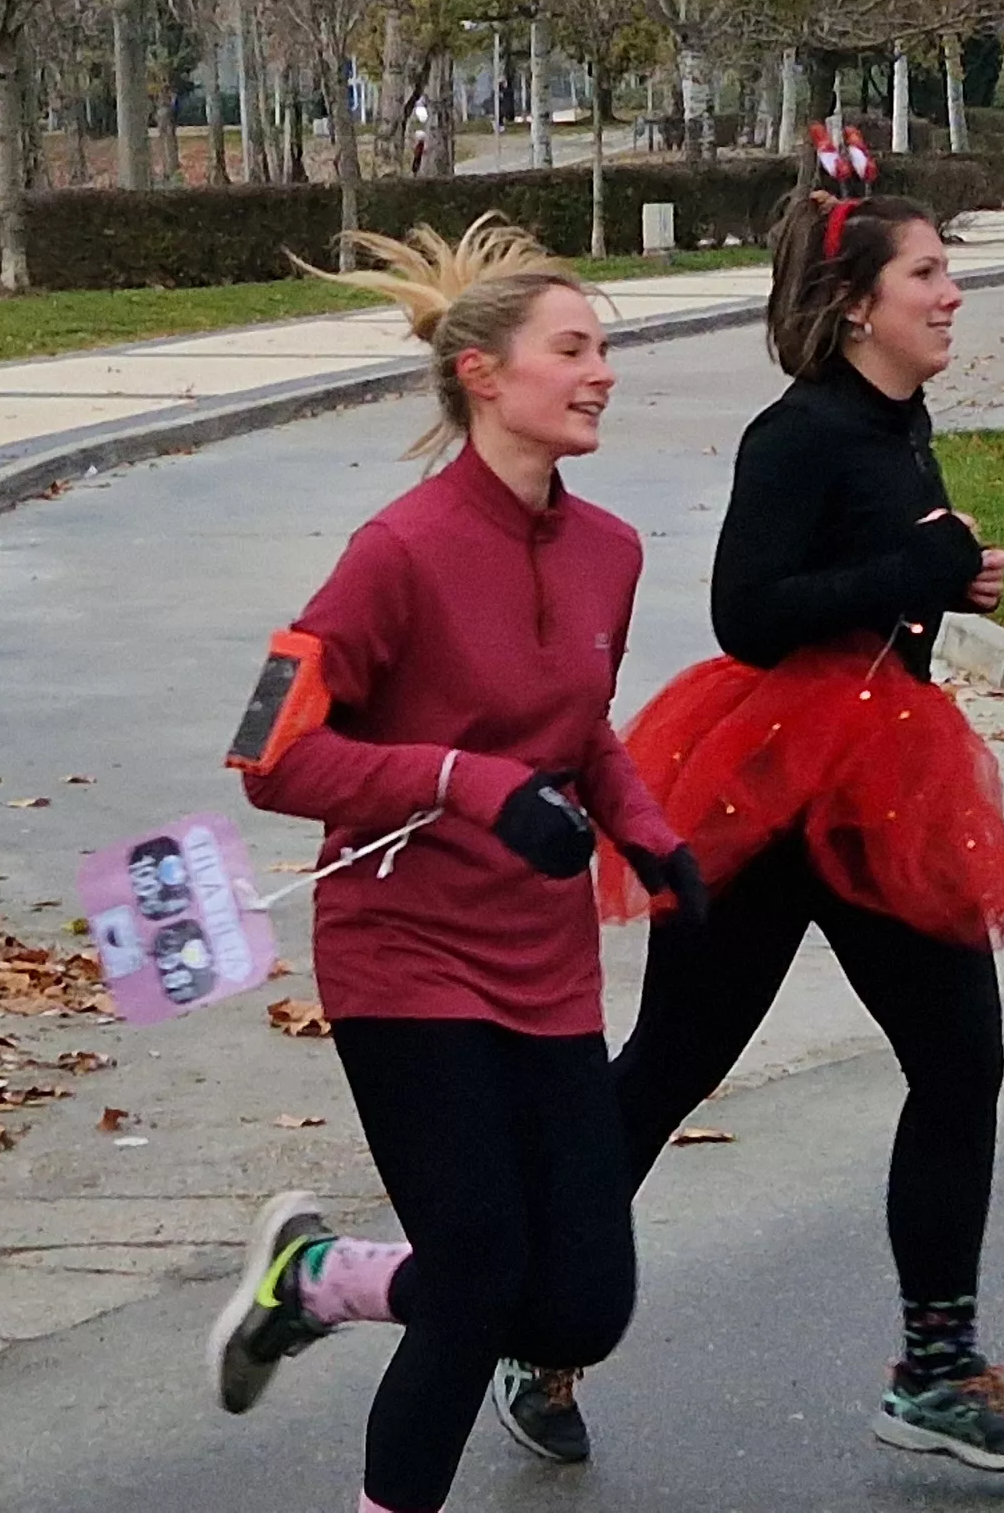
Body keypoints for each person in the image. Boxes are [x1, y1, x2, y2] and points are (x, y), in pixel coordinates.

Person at [506, 188, 1004, 1477]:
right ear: (859, 301)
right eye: (927, 273)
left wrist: (947, 580)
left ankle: (934, 1369)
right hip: (767, 791)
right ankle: (532, 1323)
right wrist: (911, 576)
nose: (951, 292)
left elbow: (877, 583)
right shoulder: (798, 432)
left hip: (879, 787)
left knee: (959, 1061)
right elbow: (748, 615)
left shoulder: (898, 419)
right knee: (669, 1066)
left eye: (947, 270)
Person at [204, 219, 699, 1513]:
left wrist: (647, 829)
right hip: (403, 955)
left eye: (606, 348)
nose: (602, 372)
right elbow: (266, 752)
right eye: (574, 348)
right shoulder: (397, 553)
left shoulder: (611, 553)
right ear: (485, 373)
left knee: (580, 1307)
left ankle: (316, 1280)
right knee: (477, 1277)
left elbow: (577, 723)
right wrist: (460, 783)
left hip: (542, 968)